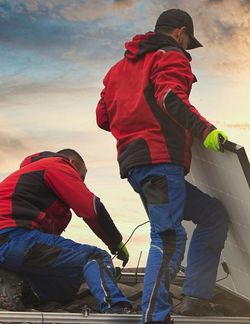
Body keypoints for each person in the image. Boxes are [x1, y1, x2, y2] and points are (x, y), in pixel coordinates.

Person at [95, 8, 230, 324]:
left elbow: (103, 117)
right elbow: (170, 97)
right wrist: (206, 132)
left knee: (212, 215)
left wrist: (134, 118)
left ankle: (196, 296)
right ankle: (155, 317)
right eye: (187, 42)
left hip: (135, 165)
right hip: (159, 159)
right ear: (181, 33)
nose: (186, 48)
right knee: (169, 237)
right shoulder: (170, 55)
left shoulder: (117, 69)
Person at [0, 149, 132, 313]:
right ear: (72, 163)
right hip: (13, 235)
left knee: (67, 284)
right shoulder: (56, 165)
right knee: (96, 257)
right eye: (81, 176)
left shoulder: (31, 180)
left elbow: (48, 250)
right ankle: (116, 307)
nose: (81, 182)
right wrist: (115, 242)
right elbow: (91, 209)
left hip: (14, 247)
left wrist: (103, 276)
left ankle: (18, 286)